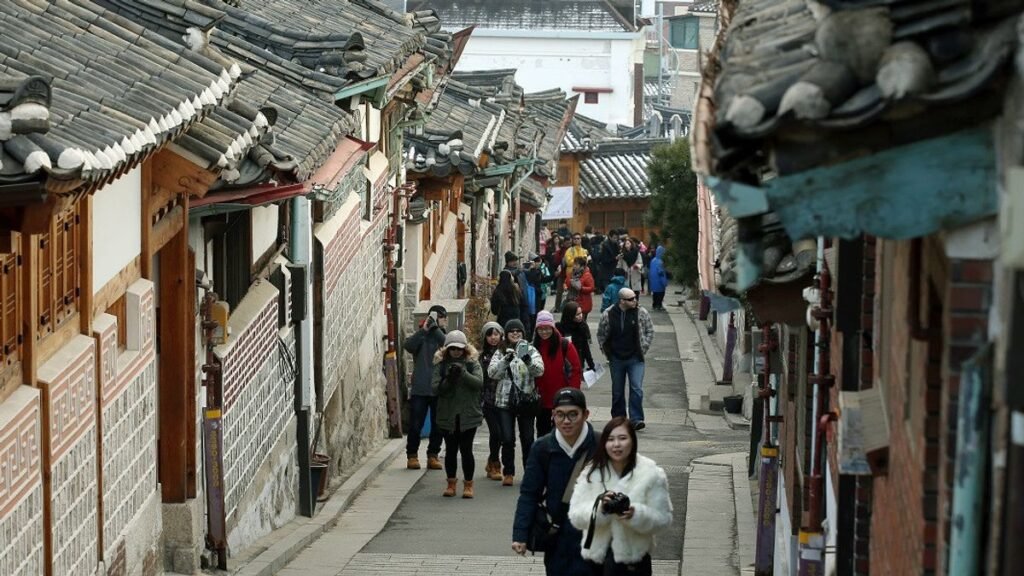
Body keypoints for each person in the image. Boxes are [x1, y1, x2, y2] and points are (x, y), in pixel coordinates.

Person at [568, 417, 672, 575]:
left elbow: (663, 519)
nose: (616, 444)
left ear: (633, 441)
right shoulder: (592, 471)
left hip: (633, 562)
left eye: (622, 438)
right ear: (604, 443)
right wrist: (600, 509)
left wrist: (635, 514)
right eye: (610, 439)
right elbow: (575, 515)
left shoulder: (651, 473)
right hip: (595, 560)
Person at [512, 388, 596, 576]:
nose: (566, 421)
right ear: (553, 416)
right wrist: (520, 534)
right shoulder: (542, 448)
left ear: (586, 414)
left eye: (573, 415)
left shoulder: (600, 445)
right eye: (560, 415)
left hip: (595, 536)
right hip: (558, 536)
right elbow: (529, 494)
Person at [489, 319, 544, 485]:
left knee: (527, 438)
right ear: (506, 334)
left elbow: (540, 371)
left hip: (526, 400)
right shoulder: (500, 351)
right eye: (511, 331)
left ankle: (529, 472)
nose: (515, 333)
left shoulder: (531, 350)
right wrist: (506, 359)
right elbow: (492, 373)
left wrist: (527, 359)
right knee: (507, 438)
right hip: (505, 401)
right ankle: (509, 472)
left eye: (518, 331)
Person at [431, 330, 484, 498]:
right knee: (451, 450)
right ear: (447, 349)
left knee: (466, 450)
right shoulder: (440, 365)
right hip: (448, 414)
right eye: (453, 348)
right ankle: (451, 483)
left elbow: (478, 383)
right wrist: (449, 378)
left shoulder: (472, 363)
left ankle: (468, 485)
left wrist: (463, 373)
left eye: (459, 349)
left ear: (465, 349)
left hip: (469, 414)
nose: (456, 352)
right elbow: (435, 388)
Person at [597, 289, 655, 430]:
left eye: (635, 298)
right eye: (631, 299)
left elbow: (650, 330)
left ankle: (636, 418)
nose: (634, 301)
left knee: (636, 388)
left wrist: (644, 348)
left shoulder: (641, 312)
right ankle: (618, 418)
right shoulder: (609, 314)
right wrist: (606, 352)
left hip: (635, 358)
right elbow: (601, 333)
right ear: (622, 301)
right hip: (616, 358)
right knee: (617, 390)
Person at [403, 304, 447, 470]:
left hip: (439, 389)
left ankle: (433, 455)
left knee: (438, 425)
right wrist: (424, 330)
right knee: (415, 424)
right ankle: (412, 455)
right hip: (420, 388)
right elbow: (408, 346)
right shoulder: (421, 336)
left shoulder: (444, 337)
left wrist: (436, 329)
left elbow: (447, 346)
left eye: (441, 317)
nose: (439, 320)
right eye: (436, 317)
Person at [533, 310, 582, 436]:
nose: (544, 332)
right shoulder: (533, 346)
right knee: (542, 433)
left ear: (553, 328)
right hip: (541, 399)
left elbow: (575, 370)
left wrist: (572, 393)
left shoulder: (565, 345)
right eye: (541, 329)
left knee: (562, 433)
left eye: (547, 328)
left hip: (562, 398)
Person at [479, 322, 506, 481]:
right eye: (490, 334)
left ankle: (491, 460)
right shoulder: (481, 356)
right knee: (495, 432)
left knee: (503, 434)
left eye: (496, 334)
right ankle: (495, 463)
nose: (493, 338)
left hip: (504, 399)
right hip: (488, 400)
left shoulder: (506, 352)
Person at [557, 301, 596, 373]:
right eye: (577, 314)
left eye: (581, 313)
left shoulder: (582, 326)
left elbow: (586, 347)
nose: (580, 316)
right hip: (563, 365)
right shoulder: (560, 328)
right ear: (570, 315)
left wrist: (591, 365)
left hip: (578, 364)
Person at [505, 251, 535, 336]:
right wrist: (520, 269)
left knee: (527, 320)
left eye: (516, 260)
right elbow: (512, 274)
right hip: (515, 301)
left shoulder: (518, 270)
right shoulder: (507, 272)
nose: (515, 263)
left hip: (523, 299)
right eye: (512, 261)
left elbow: (527, 272)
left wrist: (532, 268)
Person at [648, 246, 668, 311]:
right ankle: (659, 305)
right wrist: (664, 282)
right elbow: (661, 273)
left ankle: (654, 305)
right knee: (660, 294)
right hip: (659, 282)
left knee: (655, 294)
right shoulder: (660, 262)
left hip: (653, 281)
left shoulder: (653, 260)